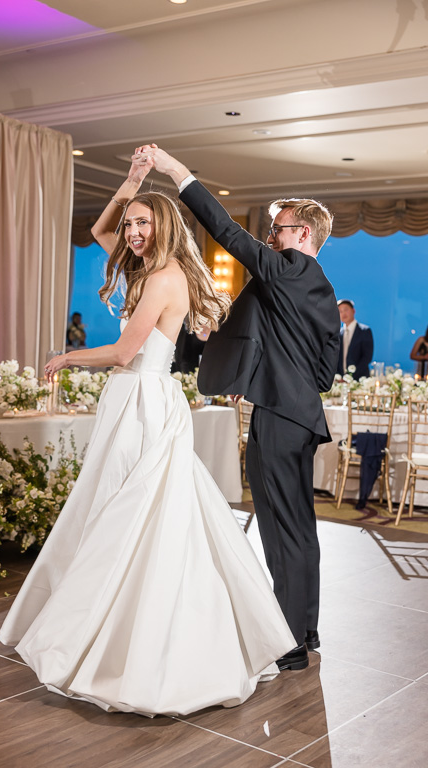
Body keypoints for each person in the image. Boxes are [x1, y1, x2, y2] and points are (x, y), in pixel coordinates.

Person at [0, 154, 296, 716]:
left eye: (142, 223)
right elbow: (98, 230)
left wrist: (66, 357)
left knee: (132, 516)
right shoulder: (145, 267)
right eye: (131, 223)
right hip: (133, 401)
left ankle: (141, 647)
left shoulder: (162, 277)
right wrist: (132, 183)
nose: (131, 233)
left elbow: (123, 353)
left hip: (144, 402)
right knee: (129, 512)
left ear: (163, 228)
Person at [135, 144, 340, 671]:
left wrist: (177, 172)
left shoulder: (294, 271)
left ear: (304, 238)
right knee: (296, 527)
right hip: (295, 415)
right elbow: (321, 370)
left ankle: (289, 642)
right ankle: (304, 629)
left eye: (281, 229)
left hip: (281, 418)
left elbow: (227, 233)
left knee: (281, 527)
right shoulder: (308, 291)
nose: (272, 237)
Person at [336, 299, 373, 380]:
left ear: (353, 311)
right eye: (340, 311)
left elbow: (367, 357)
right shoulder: (338, 334)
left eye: (345, 310)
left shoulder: (364, 331)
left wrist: (350, 377)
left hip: (360, 380)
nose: (343, 313)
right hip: (341, 381)